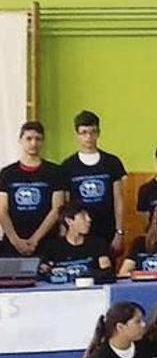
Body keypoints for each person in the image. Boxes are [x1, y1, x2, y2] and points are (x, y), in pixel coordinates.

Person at [61, 111, 127, 255]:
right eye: (83, 132)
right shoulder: (67, 166)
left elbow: (119, 200)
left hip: (107, 231)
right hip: (79, 233)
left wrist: (119, 232)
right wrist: (64, 233)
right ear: (77, 134)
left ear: (98, 133)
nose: (88, 137)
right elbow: (65, 205)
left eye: (92, 132)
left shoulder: (112, 162)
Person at [0, 121, 65, 257]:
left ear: (43, 142)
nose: (33, 143)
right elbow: (2, 210)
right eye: (29, 139)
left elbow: (57, 209)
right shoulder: (7, 173)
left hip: (46, 243)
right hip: (13, 244)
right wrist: (15, 241)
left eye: (38, 139)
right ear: (20, 140)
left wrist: (35, 240)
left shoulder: (55, 172)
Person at [40, 202, 112, 280]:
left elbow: (107, 271)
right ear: (69, 221)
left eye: (88, 216)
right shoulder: (52, 248)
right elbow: (43, 272)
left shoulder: (98, 244)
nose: (89, 219)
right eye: (83, 216)